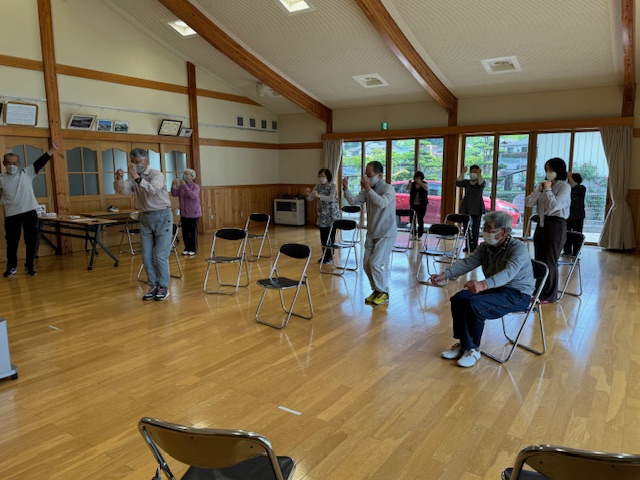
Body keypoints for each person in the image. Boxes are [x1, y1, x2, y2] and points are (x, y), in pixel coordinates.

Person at [431, 211, 535, 368]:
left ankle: (473, 349)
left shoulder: (518, 248)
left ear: (504, 232)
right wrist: (445, 274)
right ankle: (464, 344)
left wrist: (483, 285)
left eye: (490, 229)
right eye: (484, 228)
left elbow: (508, 273)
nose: (486, 232)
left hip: (517, 294)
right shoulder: (486, 247)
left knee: (475, 304)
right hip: (495, 289)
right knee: (459, 299)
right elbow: (468, 263)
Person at [115, 148, 173, 301]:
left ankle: (163, 287)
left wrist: (137, 178)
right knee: (146, 255)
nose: (135, 165)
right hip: (145, 217)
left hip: (162, 215)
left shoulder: (156, 174)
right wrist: (119, 179)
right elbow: (123, 191)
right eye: (132, 162)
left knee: (159, 254)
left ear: (146, 161)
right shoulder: (133, 177)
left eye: (137, 162)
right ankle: (153, 285)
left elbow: (152, 189)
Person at [1, 141, 60, 277]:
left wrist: (52, 149)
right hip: (11, 215)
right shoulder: (1, 179)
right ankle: (11, 267)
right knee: (12, 243)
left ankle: (29, 266)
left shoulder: (27, 173)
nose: (11, 166)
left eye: (14, 163)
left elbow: (40, 162)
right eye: (8, 163)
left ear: (19, 164)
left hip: (29, 212)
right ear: (4, 164)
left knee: (31, 241)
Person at [342, 161, 396, 306]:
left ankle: (383, 292)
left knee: (375, 263)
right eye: (365, 174)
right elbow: (354, 201)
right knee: (366, 264)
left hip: (386, 233)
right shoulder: (367, 190)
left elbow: (382, 203)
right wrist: (346, 189)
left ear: (380, 175)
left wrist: (368, 189)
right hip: (372, 232)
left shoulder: (388, 189)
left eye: (369, 175)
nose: (366, 177)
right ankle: (377, 290)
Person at [525, 157, 571, 303]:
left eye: (551, 169)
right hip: (542, 224)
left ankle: (549, 295)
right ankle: (538, 291)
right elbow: (528, 203)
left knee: (550, 260)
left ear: (558, 170)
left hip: (556, 225)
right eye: (546, 169)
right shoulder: (543, 185)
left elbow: (554, 206)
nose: (548, 172)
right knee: (539, 260)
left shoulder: (564, 187)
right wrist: (539, 190)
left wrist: (548, 190)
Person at [305, 168, 340, 264]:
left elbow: (331, 198)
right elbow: (310, 198)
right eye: (320, 176)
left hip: (332, 215)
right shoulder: (317, 187)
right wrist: (307, 194)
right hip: (322, 216)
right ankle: (324, 255)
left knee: (330, 236)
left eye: (323, 176)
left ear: (328, 177)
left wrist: (319, 196)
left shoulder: (332, 186)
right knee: (323, 236)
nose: (321, 178)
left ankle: (330, 255)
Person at [171, 169, 202, 256]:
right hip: (184, 213)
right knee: (185, 232)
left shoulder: (196, 187)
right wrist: (174, 185)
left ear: (192, 177)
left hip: (193, 213)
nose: (185, 176)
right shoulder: (181, 186)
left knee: (193, 232)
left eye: (187, 174)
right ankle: (187, 248)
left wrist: (184, 186)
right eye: (184, 174)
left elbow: (192, 195)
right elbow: (174, 194)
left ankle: (193, 249)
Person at [456, 165, 486, 252]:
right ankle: (468, 245)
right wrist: (462, 172)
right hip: (466, 206)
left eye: (475, 172)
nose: (473, 174)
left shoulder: (481, 181)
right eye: (472, 172)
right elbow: (458, 183)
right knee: (466, 228)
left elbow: (480, 184)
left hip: (477, 206)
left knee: (475, 228)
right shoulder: (467, 182)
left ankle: (474, 246)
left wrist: (479, 175)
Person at [563, 171, 586, 256]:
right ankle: (567, 251)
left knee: (577, 234)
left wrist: (570, 178)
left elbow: (575, 187)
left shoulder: (581, 188)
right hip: (568, 215)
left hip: (578, 216)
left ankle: (576, 252)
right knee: (566, 233)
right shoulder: (567, 188)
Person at [404, 171, 429, 238]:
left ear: (421, 178)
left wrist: (420, 183)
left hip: (422, 205)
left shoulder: (424, 183)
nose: (417, 179)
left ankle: (420, 234)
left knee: (420, 219)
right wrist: (409, 183)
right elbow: (407, 189)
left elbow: (426, 188)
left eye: (419, 178)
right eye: (416, 177)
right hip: (413, 205)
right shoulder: (412, 184)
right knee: (412, 219)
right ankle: (413, 233)